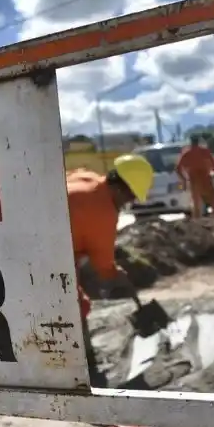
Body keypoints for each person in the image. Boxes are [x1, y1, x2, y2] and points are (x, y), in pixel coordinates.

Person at [67, 154, 155, 388]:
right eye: (130, 196)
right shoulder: (103, 211)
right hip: (45, 253)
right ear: (120, 187)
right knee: (72, 306)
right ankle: (83, 365)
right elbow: (103, 266)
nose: (127, 203)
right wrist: (118, 276)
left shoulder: (87, 178)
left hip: (37, 237)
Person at [175, 135, 214, 218]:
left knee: (196, 202)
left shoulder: (187, 153)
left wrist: (184, 179)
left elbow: (178, 168)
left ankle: (197, 220)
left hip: (194, 179)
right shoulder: (204, 151)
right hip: (205, 177)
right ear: (198, 141)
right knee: (213, 200)